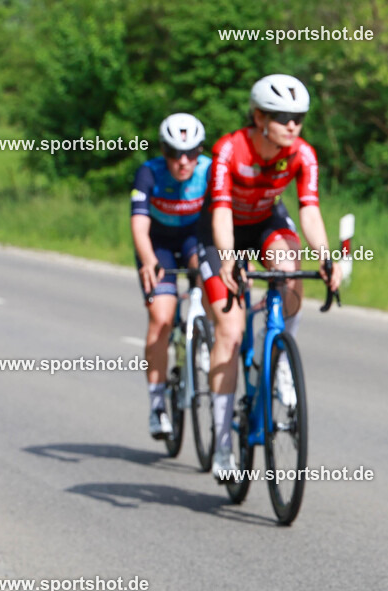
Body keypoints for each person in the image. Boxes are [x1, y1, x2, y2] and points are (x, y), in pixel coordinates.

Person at [198, 74, 342, 480]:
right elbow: (221, 209)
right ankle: (223, 444)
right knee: (229, 329)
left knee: (290, 264)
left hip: (264, 222)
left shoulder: (302, 154)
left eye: (298, 117)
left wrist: (326, 257)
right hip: (220, 230)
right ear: (259, 116)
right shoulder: (230, 148)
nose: (292, 125)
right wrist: (228, 259)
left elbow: (308, 209)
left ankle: (279, 350)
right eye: (282, 116)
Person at [130, 113, 210, 439]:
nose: (183, 161)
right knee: (161, 319)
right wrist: (148, 259)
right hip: (159, 244)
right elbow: (139, 224)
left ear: (201, 151)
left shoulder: (209, 170)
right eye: (174, 153)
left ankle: (203, 329)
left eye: (191, 152)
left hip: (193, 237)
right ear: (163, 151)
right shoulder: (149, 172)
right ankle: (157, 405)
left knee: (208, 277)